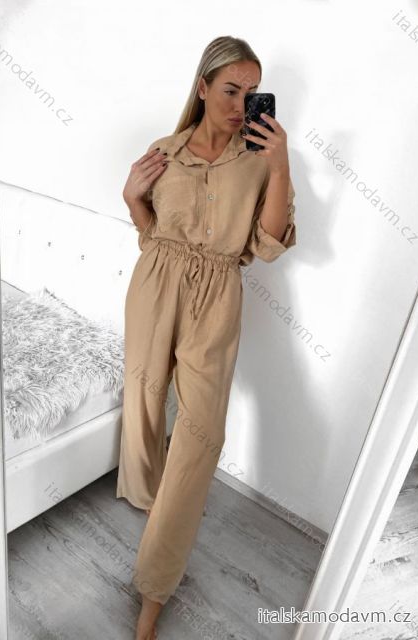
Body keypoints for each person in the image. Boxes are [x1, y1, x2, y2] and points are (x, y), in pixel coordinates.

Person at [116, 35, 297, 640]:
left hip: (217, 297)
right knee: (143, 405)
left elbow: (267, 245)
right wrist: (131, 198)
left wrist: (280, 165)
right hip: (155, 284)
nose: (242, 104)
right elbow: (150, 234)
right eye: (231, 90)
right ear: (202, 86)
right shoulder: (164, 152)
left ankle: (154, 589)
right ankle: (149, 502)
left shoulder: (260, 159)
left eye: (252, 92)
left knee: (201, 434)